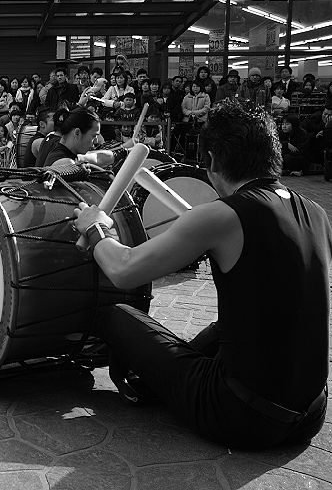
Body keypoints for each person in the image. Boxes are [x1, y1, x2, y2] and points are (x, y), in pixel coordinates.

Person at [73, 101, 331, 449]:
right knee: (231, 325)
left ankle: (144, 385)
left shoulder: (224, 215)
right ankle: (156, 381)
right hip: (309, 414)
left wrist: (96, 229)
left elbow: (123, 269)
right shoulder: (316, 213)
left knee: (115, 315)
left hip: (240, 415)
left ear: (211, 161)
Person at [36, 107, 101, 167]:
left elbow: (101, 157)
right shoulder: (66, 163)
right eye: (93, 136)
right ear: (77, 133)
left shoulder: (59, 152)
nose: (96, 141)